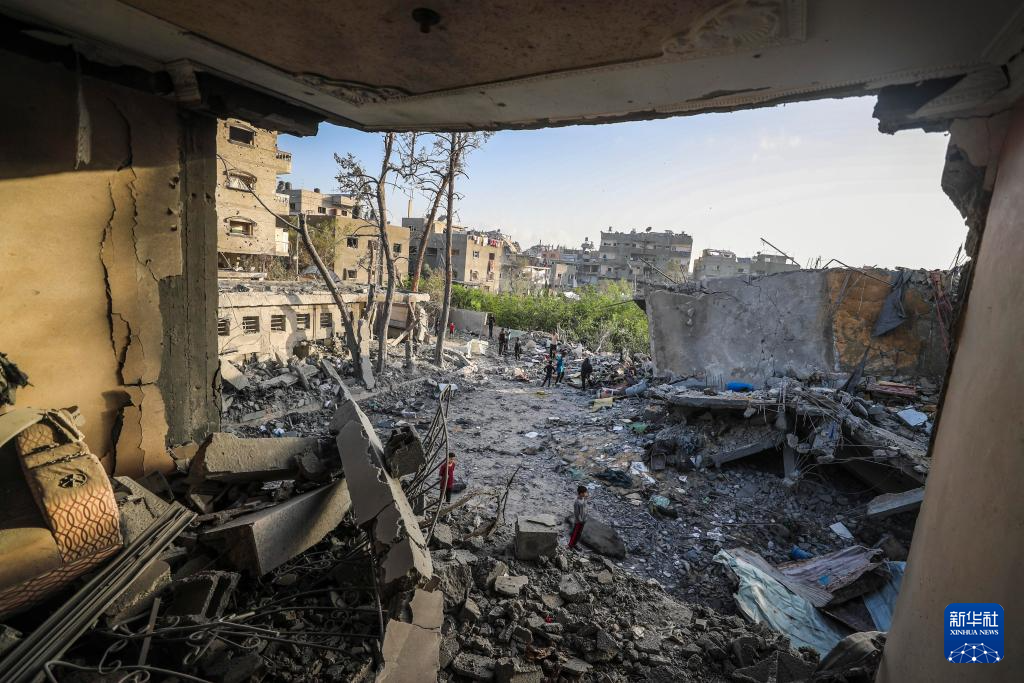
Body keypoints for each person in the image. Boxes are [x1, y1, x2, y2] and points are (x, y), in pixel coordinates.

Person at [568, 485, 588, 549]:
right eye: (585, 492)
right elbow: (577, 513)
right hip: (579, 521)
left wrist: (586, 499)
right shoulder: (577, 502)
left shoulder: (583, 499)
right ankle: (570, 545)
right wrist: (580, 520)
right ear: (581, 493)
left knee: (579, 534)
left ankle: (575, 544)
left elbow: (585, 507)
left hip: (583, 519)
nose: (586, 493)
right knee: (575, 533)